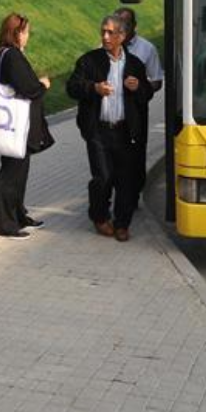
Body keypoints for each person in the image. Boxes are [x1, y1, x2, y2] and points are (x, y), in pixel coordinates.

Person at [67, 14, 154, 242]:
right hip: (98, 130)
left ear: (122, 36)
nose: (105, 36)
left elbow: (147, 94)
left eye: (110, 32)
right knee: (103, 177)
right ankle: (99, 217)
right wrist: (94, 88)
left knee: (126, 180)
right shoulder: (89, 61)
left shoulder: (135, 64)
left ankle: (122, 223)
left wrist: (138, 87)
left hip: (125, 131)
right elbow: (72, 87)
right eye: (103, 31)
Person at [0, 13, 55, 239]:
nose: (28, 36)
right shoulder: (12, 56)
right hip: (15, 124)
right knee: (12, 173)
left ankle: (18, 215)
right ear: (17, 33)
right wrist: (43, 84)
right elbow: (29, 88)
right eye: (26, 32)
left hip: (12, 122)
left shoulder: (3, 54)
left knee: (19, 170)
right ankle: (7, 225)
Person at [113, 7, 163, 199]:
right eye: (117, 22)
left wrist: (140, 87)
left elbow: (157, 80)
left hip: (136, 113)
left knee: (135, 156)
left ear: (134, 25)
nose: (121, 27)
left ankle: (133, 196)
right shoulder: (106, 46)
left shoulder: (146, 48)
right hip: (112, 113)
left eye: (125, 22)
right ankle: (118, 196)